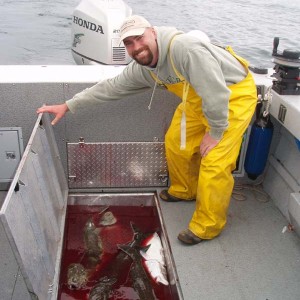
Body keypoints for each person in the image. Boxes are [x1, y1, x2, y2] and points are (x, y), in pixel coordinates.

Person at [37, 15, 257, 245]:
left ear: (153, 32)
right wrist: (68, 105)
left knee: (214, 161)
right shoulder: (144, 69)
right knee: (175, 143)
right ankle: (184, 191)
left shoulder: (185, 50)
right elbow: (110, 88)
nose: (136, 47)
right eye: (128, 43)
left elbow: (216, 93)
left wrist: (215, 131)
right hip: (197, 99)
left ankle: (208, 226)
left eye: (139, 38)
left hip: (232, 97)